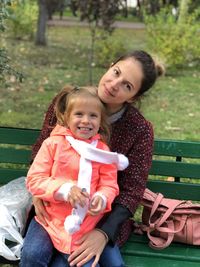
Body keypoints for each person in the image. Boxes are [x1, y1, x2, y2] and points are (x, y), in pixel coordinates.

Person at [21, 50, 164, 267]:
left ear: (133, 97)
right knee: (42, 257)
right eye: (116, 72)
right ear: (111, 64)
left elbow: (132, 191)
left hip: (101, 218)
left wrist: (103, 234)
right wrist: (38, 194)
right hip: (53, 208)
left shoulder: (139, 129)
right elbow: (41, 153)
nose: (114, 84)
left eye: (127, 86)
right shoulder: (69, 103)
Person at [22, 86, 129, 267]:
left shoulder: (103, 152)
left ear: (101, 120)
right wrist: (65, 189)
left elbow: (109, 185)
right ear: (66, 117)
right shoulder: (53, 144)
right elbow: (35, 179)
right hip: (50, 219)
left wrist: (102, 198)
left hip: (86, 223)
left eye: (93, 116)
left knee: (85, 264)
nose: (86, 121)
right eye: (79, 114)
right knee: (33, 254)